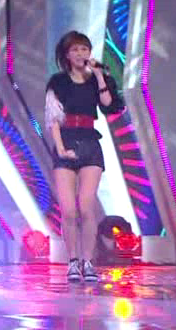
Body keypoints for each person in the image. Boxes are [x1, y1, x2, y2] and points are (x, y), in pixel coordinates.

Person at [44, 31, 123, 283]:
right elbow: (53, 118)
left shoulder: (98, 79)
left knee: (86, 207)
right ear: (67, 55)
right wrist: (60, 149)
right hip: (65, 142)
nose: (81, 54)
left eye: (84, 49)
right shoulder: (58, 82)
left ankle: (88, 262)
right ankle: (72, 261)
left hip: (90, 144)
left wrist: (99, 75)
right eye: (75, 50)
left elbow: (109, 104)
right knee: (68, 211)